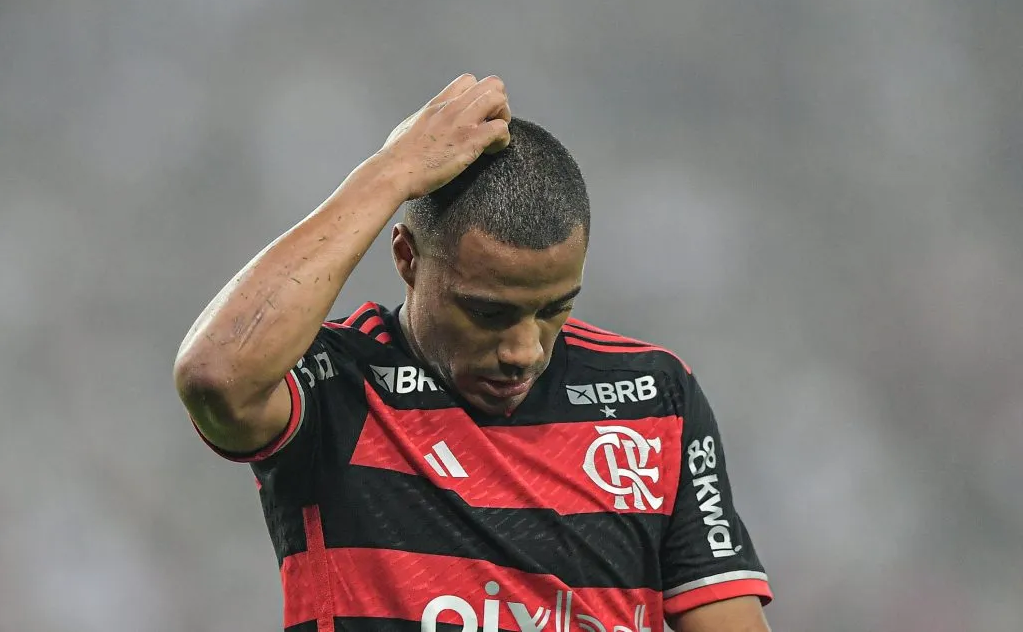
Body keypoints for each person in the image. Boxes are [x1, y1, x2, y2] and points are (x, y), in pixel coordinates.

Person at [174, 74, 773, 632]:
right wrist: (394, 173)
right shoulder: (337, 386)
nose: (522, 350)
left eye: (552, 309)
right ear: (407, 258)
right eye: (488, 313)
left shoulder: (653, 397)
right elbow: (216, 374)